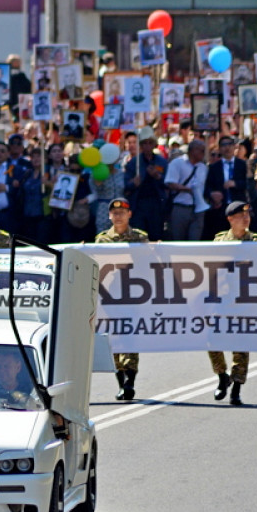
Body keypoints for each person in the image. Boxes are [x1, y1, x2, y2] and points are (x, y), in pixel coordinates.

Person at [94, 198, 148, 400]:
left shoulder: (140, 238)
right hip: (109, 297)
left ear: (129, 214)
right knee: (114, 340)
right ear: (109, 216)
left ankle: (130, 382)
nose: (118, 216)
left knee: (130, 338)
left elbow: (147, 264)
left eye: (122, 212)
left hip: (132, 295)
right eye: (114, 213)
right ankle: (120, 382)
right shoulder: (102, 240)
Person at [210, 201, 257, 406]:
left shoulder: (256, 241)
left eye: (247, 215)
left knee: (241, 346)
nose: (245, 218)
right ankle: (222, 375)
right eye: (240, 215)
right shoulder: (219, 241)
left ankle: (237, 388)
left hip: (244, 301)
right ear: (230, 219)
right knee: (212, 339)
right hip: (222, 300)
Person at [124, 131, 169, 240]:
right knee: (139, 235)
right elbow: (125, 184)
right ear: (141, 145)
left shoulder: (162, 162)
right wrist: (133, 183)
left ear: (154, 144)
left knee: (156, 234)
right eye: (144, 143)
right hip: (139, 204)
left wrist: (158, 177)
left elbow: (168, 183)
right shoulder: (134, 162)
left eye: (150, 143)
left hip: (156, 204)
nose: (147, 146)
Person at [164, 139, 208, 241]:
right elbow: (170, 182)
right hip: (181, 208)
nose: (203, 154)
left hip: (198, 209)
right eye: (202, 151)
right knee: (178, 240)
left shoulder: (203, 167)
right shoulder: (177, 163)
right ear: (193, 151)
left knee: (194, 241)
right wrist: (188, 189)